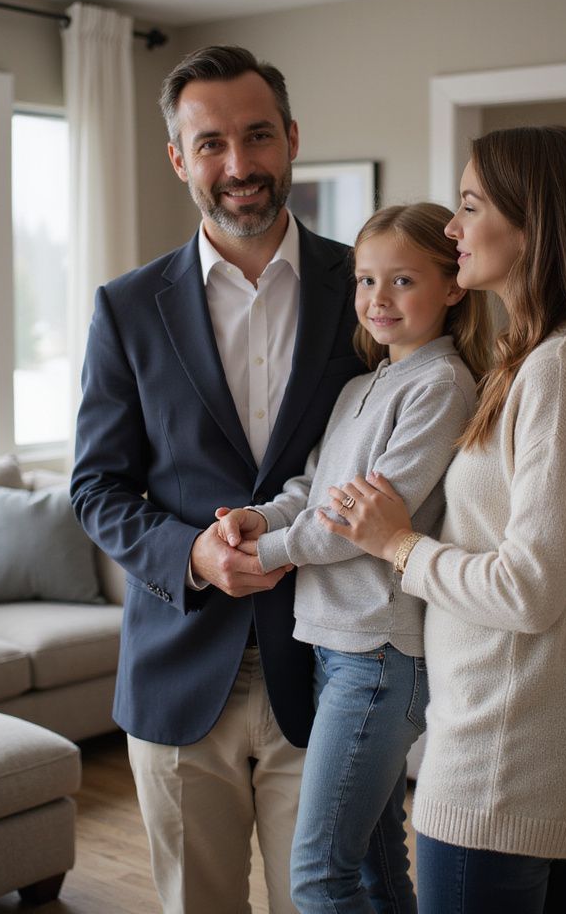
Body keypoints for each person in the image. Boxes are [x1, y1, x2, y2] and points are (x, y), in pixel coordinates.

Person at [71, 44, 566, 914]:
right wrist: (198, 555)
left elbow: (502, 461)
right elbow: (97, 490)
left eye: (258, 136)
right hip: (181, 673)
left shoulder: (371, 280)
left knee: (331, 888)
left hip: (337, 662)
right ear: (179, 159)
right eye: (211, 143)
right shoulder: (127, 308)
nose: (240, 163)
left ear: (291, 139)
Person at [321, 125, 566, 914]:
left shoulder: (557, 371)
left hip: (503, 750)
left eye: (472, 204)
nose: (452, 225)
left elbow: (528, 590)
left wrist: (398, 543)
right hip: (535, 729)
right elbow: (554, 536)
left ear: (534, 227)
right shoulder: (539, 357)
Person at [215, 202, 491, 913]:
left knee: (315, 876)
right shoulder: (358, 387)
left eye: (402, 281)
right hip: (333, 646)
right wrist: (255, 519)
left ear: (453, 286)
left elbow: (357, 527)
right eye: (367, 281)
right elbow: (312, 491)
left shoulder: (441, 386)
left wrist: (269, 554)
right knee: (372, 865)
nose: (378, 300)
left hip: (377, 657)